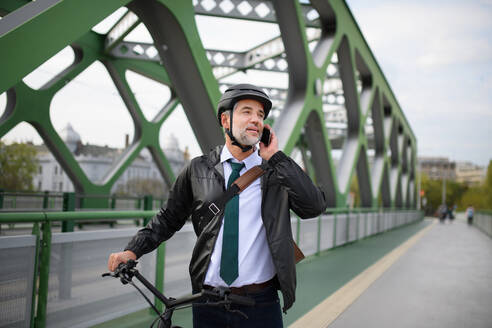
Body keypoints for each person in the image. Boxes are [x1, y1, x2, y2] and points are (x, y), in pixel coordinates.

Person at [107, 84, 327, 327]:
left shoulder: (276, 171)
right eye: (247, 111)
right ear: (225, 120)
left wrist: (276, 157)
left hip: (261, 302)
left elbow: (314, 207)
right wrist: (132, 250)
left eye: (261, 115)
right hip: (207, 300)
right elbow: (168, 218)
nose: (256, 119)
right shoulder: (198, 169)